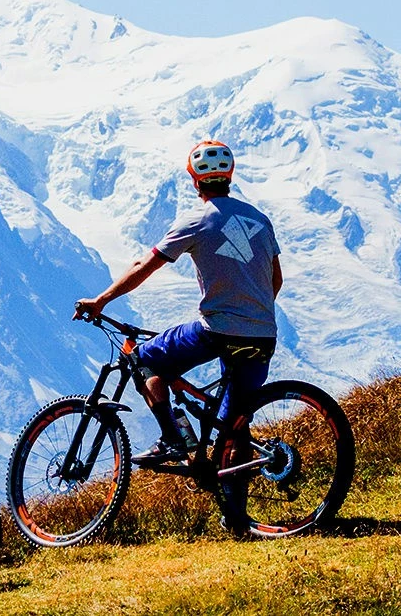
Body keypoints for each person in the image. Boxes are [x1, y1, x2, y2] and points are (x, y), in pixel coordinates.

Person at [73, 140, 281, 528]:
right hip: (262, 334)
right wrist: (250, 314)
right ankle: (236, 517)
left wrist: (101, 301)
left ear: (194, 181)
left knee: (143, 359)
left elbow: (145, 265)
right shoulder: (260, 220)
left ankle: (173, 438)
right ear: (230, 176)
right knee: (234, 425)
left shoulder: (196, 221)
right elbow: (276, 281)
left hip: (217, 330)